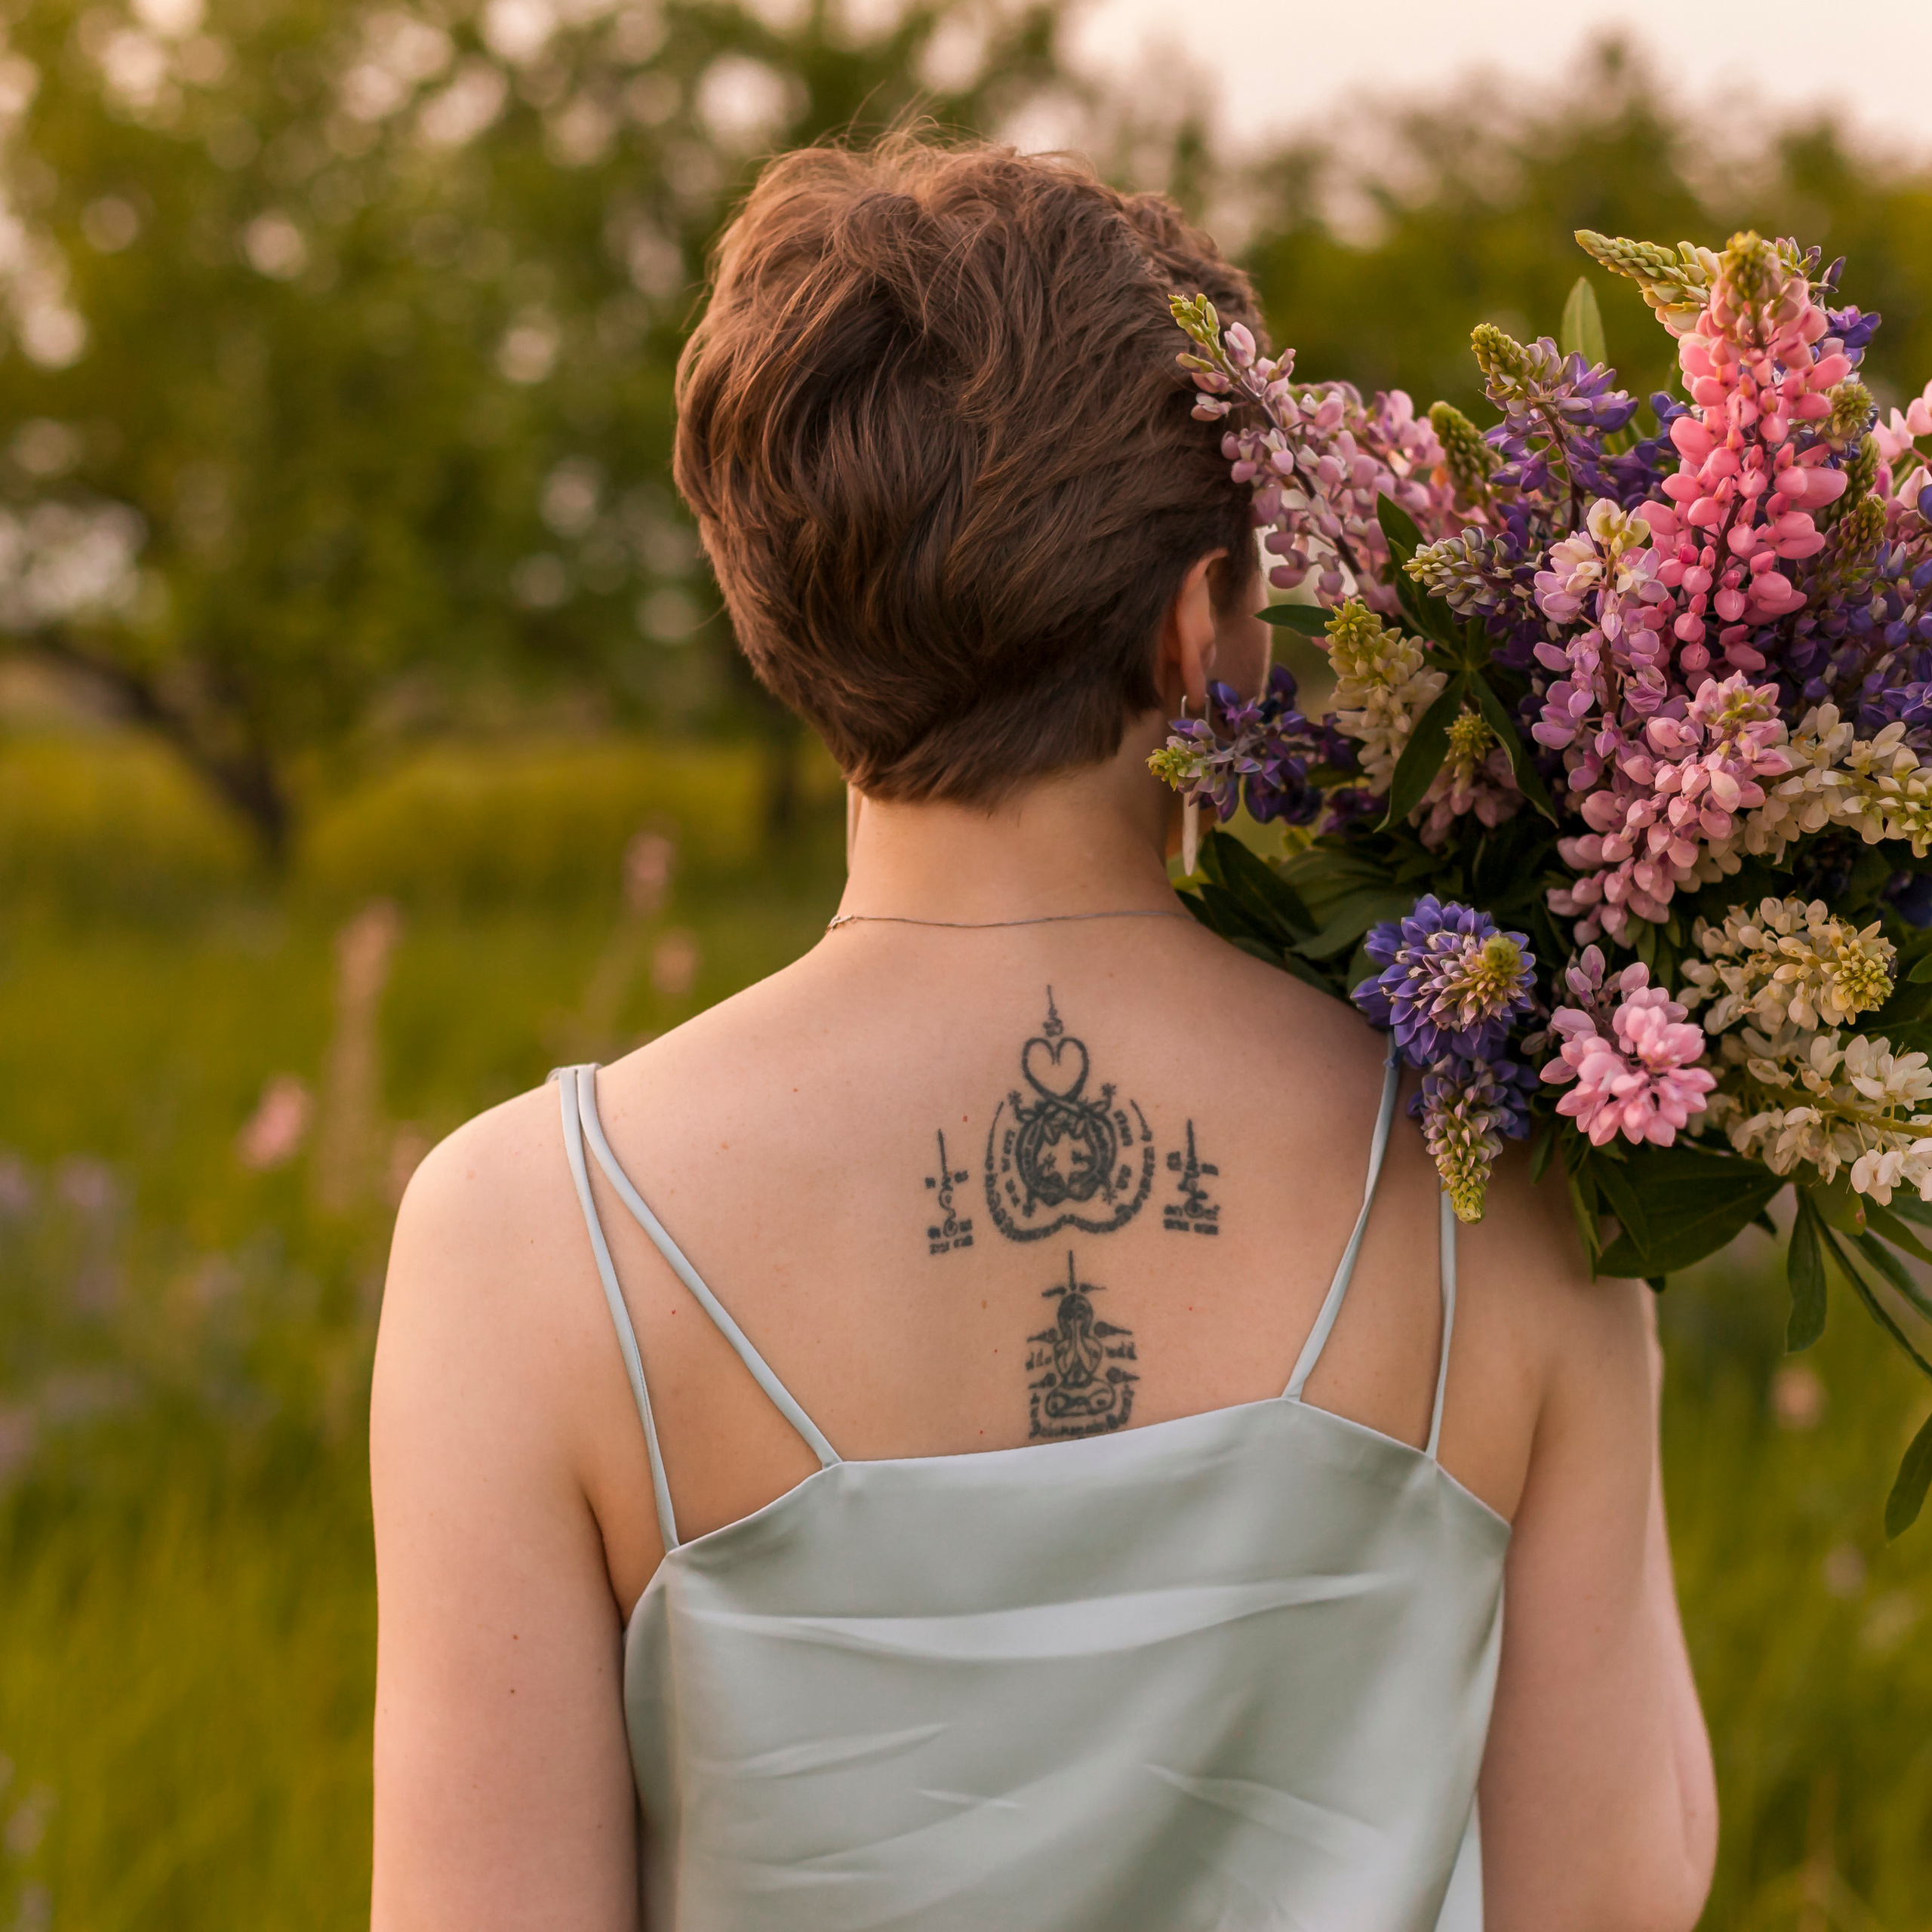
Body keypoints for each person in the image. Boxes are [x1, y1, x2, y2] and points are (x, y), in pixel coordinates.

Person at [369, 136, 1717, 1931]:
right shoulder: (1505, 1170)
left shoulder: (528, 1237)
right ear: (1193, 624)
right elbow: (1611, 1885)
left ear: (775, 611)